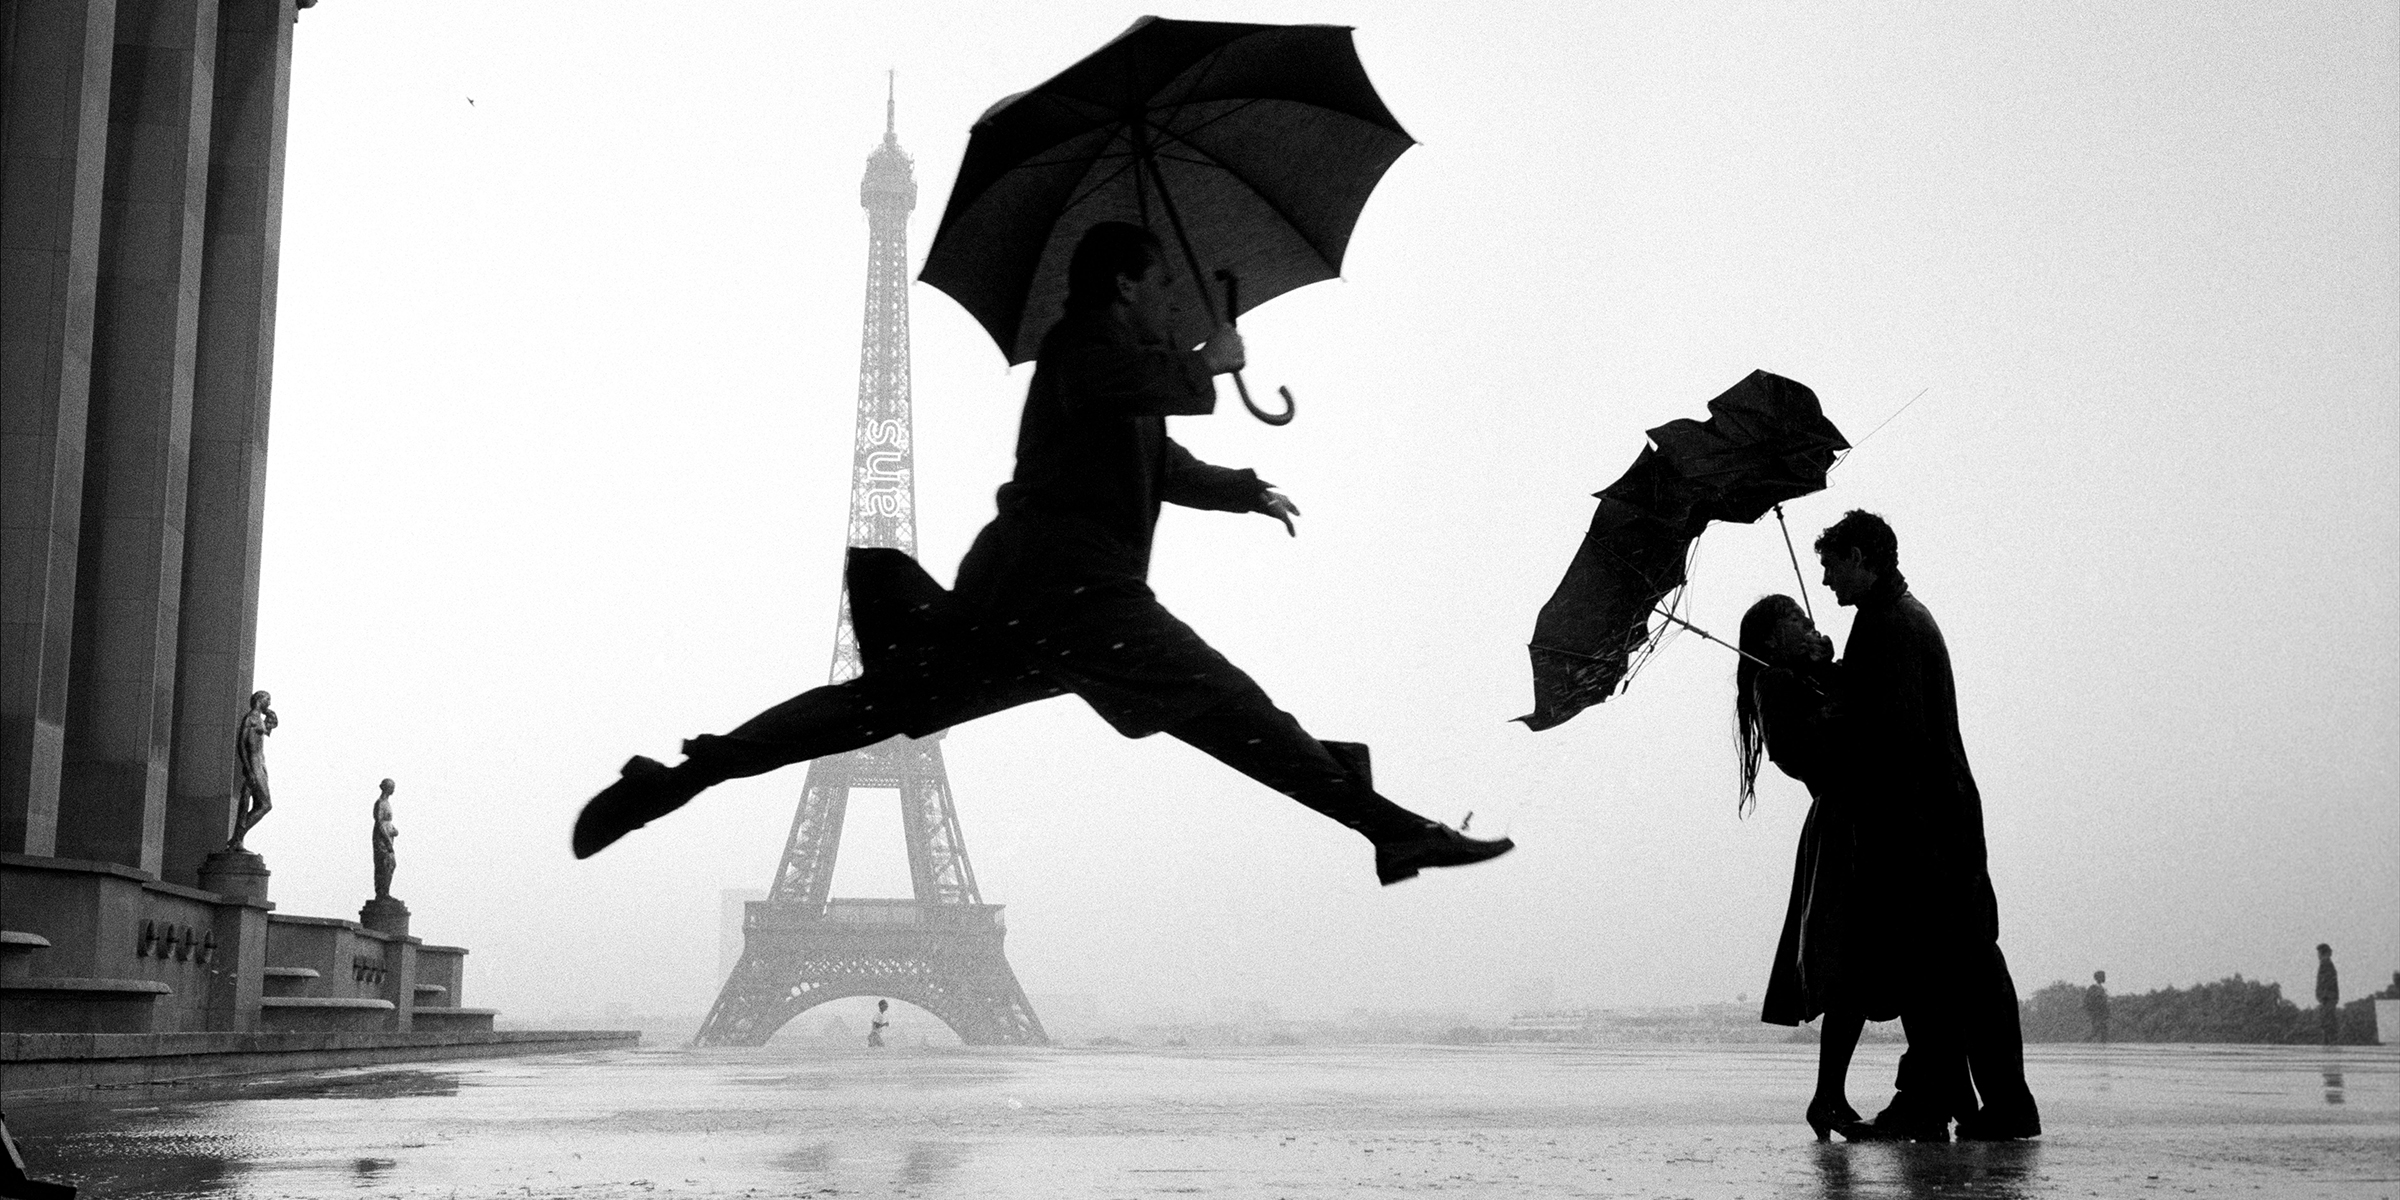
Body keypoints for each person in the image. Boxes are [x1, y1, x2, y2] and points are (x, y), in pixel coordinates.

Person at [573, 223, 1511, 888]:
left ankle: (686, 775)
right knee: (1224, 705)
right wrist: (1208, 364)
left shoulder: (1112, 368)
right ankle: (1389, 828)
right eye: (1165, 288)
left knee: (877, 707)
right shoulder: (1083, 346)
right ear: (1124, 288)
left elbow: (1155, 455)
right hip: (1072, 591)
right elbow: (1118, 390)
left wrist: (1240, 487)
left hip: (1023, 597)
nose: (1177, 302)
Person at [1815, 510, 2039, 1142]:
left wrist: (1830, 702)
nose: (1827, 581)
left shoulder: (1890, 625)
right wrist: (1837, 678)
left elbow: (1896, 739)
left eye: (1833, 565)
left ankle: (1939, 1102)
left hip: (1923, 832)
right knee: (1963, 968)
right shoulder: (1897, 620)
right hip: (1942, 825)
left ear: (1861, 557)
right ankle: (1989, 1104)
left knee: (1938, 970)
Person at [1736, 594, 1904, 1140]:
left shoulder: (1797, 677)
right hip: (1841, 829)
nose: (1808, 627)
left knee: (1857, 964)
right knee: (1847, 965)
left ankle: (1828, 1097)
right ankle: (1827, 1096)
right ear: (1769, 640)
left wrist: (1828, 670)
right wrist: (1832, 679)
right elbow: (1806, 750)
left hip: (1856, 822)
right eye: (1796, 622)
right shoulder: (1774, 684)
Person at [228, 690, 278, 849]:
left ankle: (237, 838)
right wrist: (248, 769)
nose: (269, 703)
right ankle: (237, 837)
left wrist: (271, 719)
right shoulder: (251, 718)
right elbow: (241, 744)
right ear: (259, 699)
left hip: (260, 765)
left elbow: (266, 732)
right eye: (267, 700)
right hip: (254, 765)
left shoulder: (258, 719)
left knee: (259, 804)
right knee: (265, 805)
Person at [371, 779, 400, 900]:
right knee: (384, 864)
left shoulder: (387, 803)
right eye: (392, 787)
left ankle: (385, 891)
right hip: (381, 838)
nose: (394, 789)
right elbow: (380, 823)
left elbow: (387, 822)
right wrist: (387, 841)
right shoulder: (380, 803)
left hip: (387, 836)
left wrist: (394, 830)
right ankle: (382, 893)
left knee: (390, 864)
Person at [2316, 944, 2340, 1046]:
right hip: (2329, 996)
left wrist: (2323, 996)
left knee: (2328, 1020)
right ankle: (2329, 1041)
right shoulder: (2327, 963)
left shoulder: (2325, 963)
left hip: (2328, 997)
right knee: (2328, 1020)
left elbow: (2325, 981)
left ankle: (2329, 1042)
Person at [2085, 970, 2110, 1043]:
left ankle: (2102, 1044)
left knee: (2102, 1029)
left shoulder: (2101, 988)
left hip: (2102, 1013)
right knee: (2097, 1029)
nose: (2104, 978)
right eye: (2103, 976)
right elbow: (2090, 1000)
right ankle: (2086, 1042)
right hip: (2096, 1013)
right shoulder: (2093, 988)